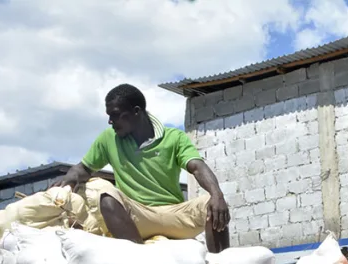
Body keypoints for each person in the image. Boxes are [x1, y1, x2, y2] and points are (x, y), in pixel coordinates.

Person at [52, 84, 230, 253]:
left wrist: (217, 195)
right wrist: (70, 177)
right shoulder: (109, 139)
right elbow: (84, 168)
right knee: (105, 196)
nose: (110, 121)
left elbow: (197, 167)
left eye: (115, 115)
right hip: (137, 216)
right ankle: (139, 259)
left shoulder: (174, 138)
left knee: (213, 203)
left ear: (136, 112)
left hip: (174, 215)